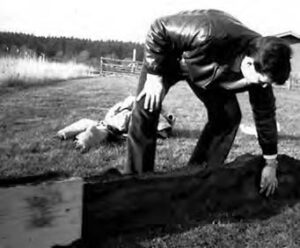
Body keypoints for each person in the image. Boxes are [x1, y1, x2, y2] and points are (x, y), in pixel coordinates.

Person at [125, 9, 292, 197]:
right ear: (248, 64)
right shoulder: (209, 31)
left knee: (228, 117)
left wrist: (270, 163)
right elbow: (159, 28)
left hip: (210, 73)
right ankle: (136, 180)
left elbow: (265, 116)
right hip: (172, 57)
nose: (262, 87)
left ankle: (197, 175)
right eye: (261, 81)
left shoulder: (263, 65)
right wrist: (154, 75)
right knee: (147, 105)